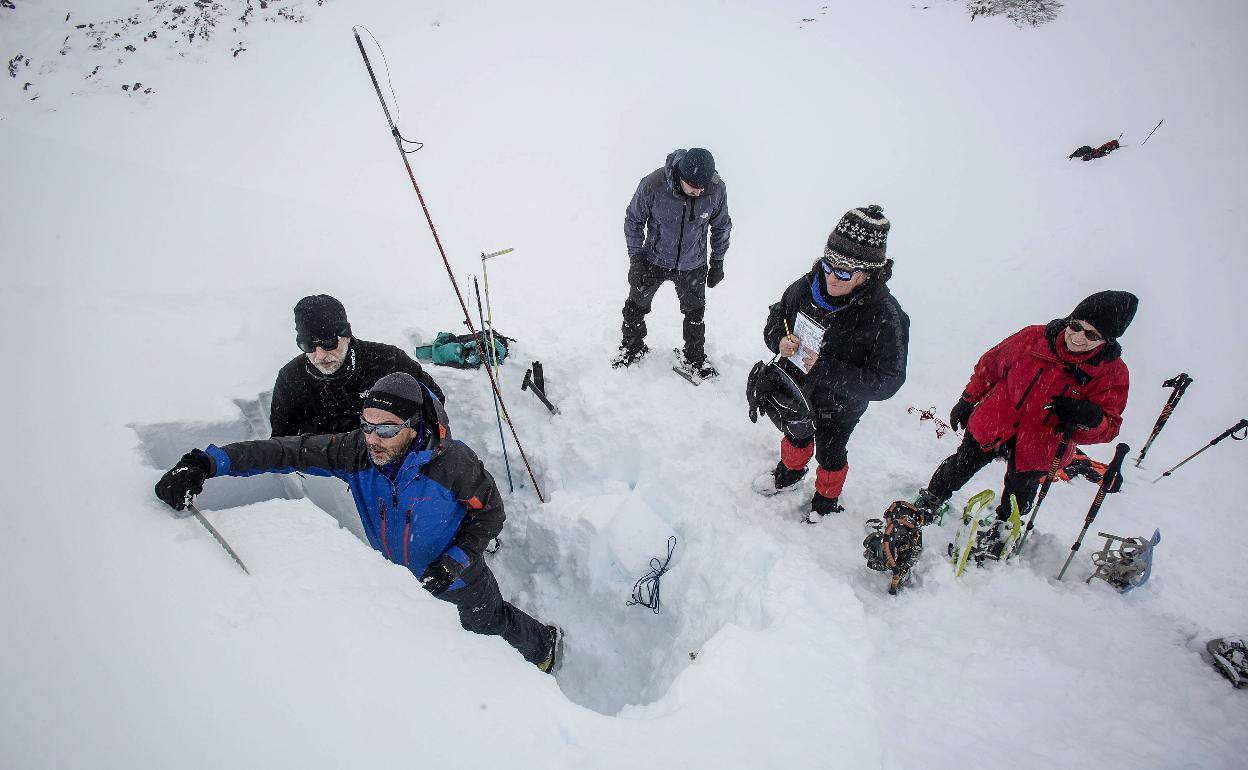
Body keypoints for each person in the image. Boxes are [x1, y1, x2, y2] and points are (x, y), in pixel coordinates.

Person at [155, 372, 562, 673]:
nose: (373, 438)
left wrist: (454, 562)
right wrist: (208, 462)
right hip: (399, 583)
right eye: (367, 424)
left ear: (415, 426)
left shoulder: (454, 464)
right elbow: (285, 452)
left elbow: (490, 514)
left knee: (487, 624)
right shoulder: (356, 453)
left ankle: (544, 647)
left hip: (460, 578)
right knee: (440, 651)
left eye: (385, 428)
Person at [912, 290, 1138, 550]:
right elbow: (990, 366)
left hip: (1040, 445)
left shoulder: (1112, 374)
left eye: (1091, 335)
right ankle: (930, 500)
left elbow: (1109, 427)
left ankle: (1004, 530)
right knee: (959, 467)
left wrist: (1090, 417)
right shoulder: (1033, 338)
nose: (1078, 337)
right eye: (1076, 326)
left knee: (1019, 493)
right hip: (993, 424)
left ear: (1106, 341)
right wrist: (967, 400)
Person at [754, 205, 910, 523]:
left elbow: (887, 381)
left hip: (841, 406)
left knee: (830, 452)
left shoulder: (886, 315)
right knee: (795, 433)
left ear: (868, 273)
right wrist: (778, 341)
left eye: (844, 272)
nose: (831, 278)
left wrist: (825, 369)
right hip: (797, 390)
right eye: (828, 266)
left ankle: (826, 500)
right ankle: (790, 473)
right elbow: (777, 317)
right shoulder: (806, 287)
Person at [615, 147, 732, 378]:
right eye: (694, 187)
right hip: (653, 259)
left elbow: (721, 227)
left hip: (693, 263)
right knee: (635, 306)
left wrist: (717, 261)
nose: (699, 192)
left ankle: (694, 358)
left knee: (695, 313)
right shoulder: (653, 184)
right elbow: (633, 221)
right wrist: (636, 259)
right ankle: (632, 348)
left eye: (703, 187)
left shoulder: (716, 189)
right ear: (681, 177)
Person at [270, 294, 445, 437]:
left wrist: (411, 436)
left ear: (346, 336)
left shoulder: (388, 361)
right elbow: (282, 441)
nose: (320, 355)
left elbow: (434, 399)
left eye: (329, 343)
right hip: (328, 471)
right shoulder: (290, 378)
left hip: (393, 462)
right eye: (308, 346)